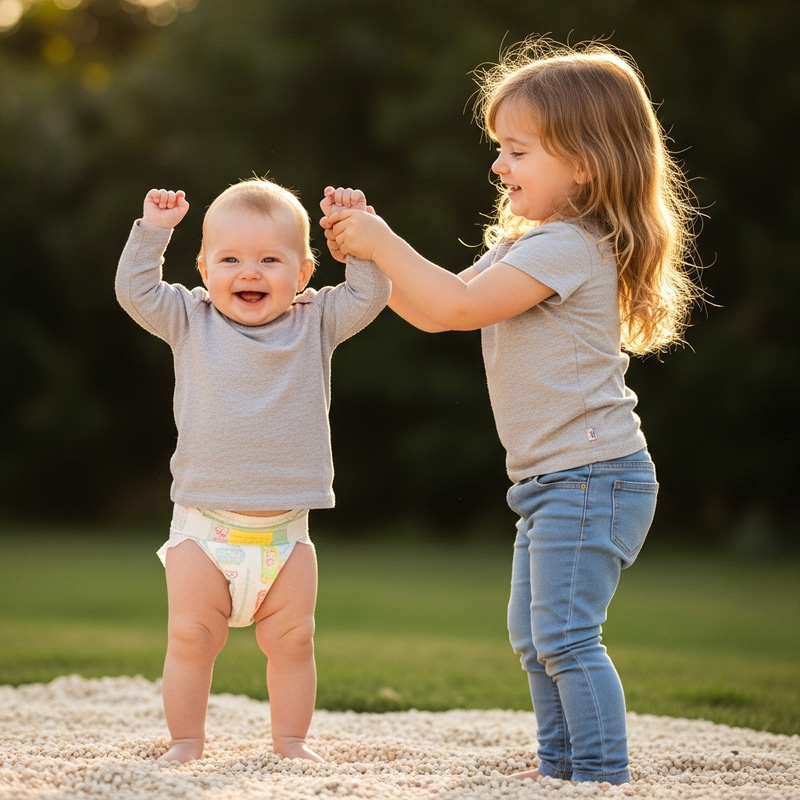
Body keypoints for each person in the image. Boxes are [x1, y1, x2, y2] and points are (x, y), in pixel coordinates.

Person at [320, 37, 701, 784]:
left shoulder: (571, 247)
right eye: (500, 148)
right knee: (536, 637)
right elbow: (435, 311)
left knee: (565, 634)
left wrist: (383, 240)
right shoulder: (529, 245)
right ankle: (560, 768)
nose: (498, 165)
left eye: (518, 150)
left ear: (584, 161)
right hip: (556, 480)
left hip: (593, 475)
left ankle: (596, 773)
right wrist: (368, 252)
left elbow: (457, 308)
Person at [115, 178, 390, 765]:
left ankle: (291, 742)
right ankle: (186, 741)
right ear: (204, 267)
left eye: (271, 259)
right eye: (231, 259)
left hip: (286, 538)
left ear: (304, 271)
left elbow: (369, 295)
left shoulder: (315, 322)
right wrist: (153, 233)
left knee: (294, 642)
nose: (250, 272)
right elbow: (135, 291)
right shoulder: (189, 318)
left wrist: (356, 235)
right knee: (191, 639)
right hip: (203, 531)